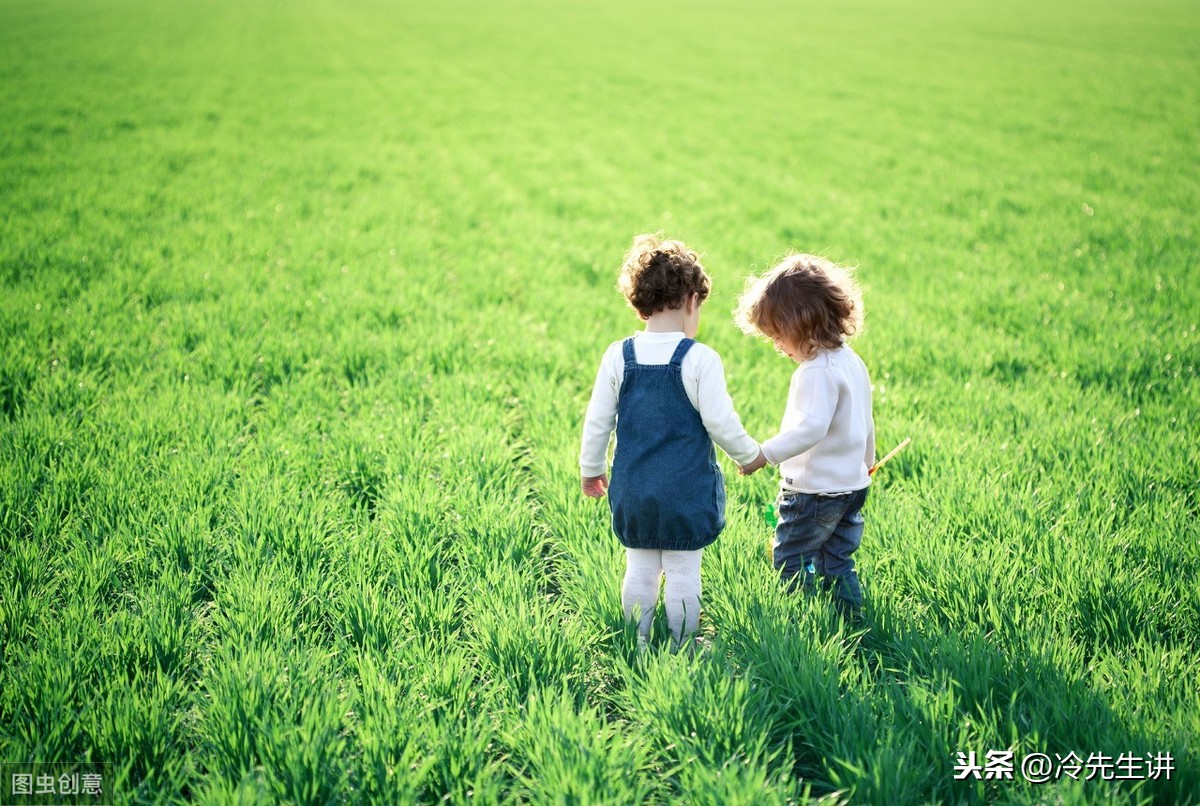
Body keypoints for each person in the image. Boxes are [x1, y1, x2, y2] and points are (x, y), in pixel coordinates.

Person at [580, 234, 764, 650]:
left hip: (635, 488)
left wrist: (591, 470)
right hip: (685, 492)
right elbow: (721, 422)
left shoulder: (618, 355)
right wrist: (749, 455)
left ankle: (638, 643)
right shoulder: (699, 358)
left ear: (639, 301)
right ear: (691, 301)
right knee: (684, 569)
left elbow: (597, 422)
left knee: (640, 568)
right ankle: (683, 644)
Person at [735, 254, 875, 621]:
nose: (779, 347)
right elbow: (865, 417)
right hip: (851, 487)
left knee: (790, 558)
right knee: (836, 560)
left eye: (779, 337)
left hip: (814, 493)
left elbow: (811, 428)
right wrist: (866, 461)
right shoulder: (850, 361)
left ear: (801, 324)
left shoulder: (817, 372)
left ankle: (797, 622)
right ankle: (851, 620)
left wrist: (764, 454)